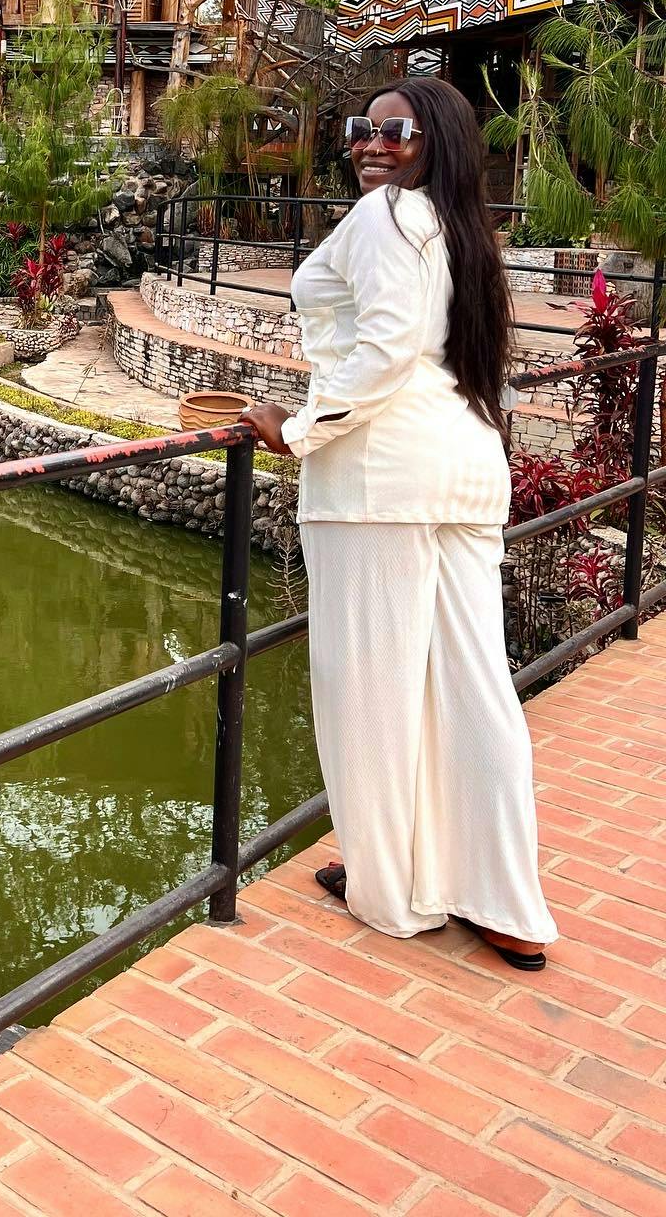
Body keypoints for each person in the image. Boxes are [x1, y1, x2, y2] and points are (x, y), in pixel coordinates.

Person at [244, 79, 556, 969]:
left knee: (370, 694)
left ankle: (391, 888)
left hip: (381, 481)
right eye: (361, 129)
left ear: (435, 139)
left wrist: (298, 428)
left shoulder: (387, 216)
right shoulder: (457, 226)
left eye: (395, 130)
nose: (370, 144)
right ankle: (505, 900)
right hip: (462, 464)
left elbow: (384, 347)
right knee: (472, 689)